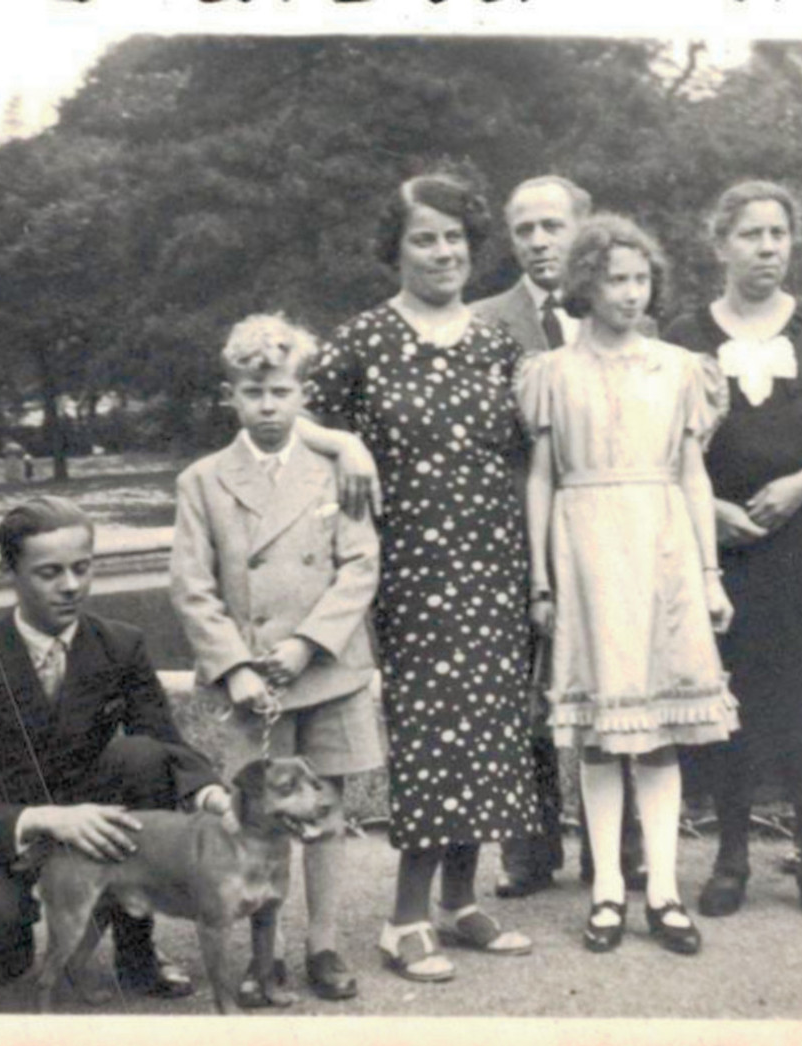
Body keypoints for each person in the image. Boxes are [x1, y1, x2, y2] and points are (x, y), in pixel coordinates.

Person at [308, 170, 538, 983]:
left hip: (493, 559)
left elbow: (526, 455)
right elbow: (291, 413)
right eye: (425, 237)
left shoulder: (496, 341)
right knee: (434, 730)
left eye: (455, 237)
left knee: (487, 725)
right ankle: (403, 918)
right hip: (410, 566)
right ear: (395, 249)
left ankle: (459, 901)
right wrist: (345, 443)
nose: (443, 252)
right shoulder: (364, 338)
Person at [663, 180, 802, 926]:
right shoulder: (683, 333)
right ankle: (731, 855)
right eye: (752, 235)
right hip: (730, 552)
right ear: (719, 244)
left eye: (779, 235)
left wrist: (799, 484)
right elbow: (662, 443)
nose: (768, 248)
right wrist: (711, 510)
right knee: (733, 694)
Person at [521, 214, 736, 956]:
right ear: (585, 282)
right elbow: (542, 479)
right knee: (602, 736)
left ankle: (665, 892)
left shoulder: (680, 368)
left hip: (661, 546)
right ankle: (608, 888)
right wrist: (540, 578)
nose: (629, 292)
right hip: (584, 546)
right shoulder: (550, 373)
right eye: (615, 278)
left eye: (640, 278)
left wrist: (709, 573)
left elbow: (693, 474)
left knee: (659, 733)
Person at [0, 497, 225, 995]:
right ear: (9, 571)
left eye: (83, 568)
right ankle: (3, 945)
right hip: (7, 829)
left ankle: (136, 952)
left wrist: (210, 792)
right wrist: (47, 819)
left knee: (142, 758)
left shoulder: (120, 645)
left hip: (94, 821)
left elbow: (165, 741)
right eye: (49, 572)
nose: (71, 586)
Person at [169, 313, 384, 1003]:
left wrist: (305, 642)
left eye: (282, 392)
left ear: (302, 393)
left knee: (324, 808)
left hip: (326, 666)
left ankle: (322, 942)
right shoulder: (203, 480)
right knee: (257, 811)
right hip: (249, 681)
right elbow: (192, 585)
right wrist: (234, 666)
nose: (268, 406)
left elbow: (361, 564)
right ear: (229, 394)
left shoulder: (333, 470)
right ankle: (268, 952)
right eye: (253, 392)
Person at [471, 174, 647, 899]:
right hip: (508, 532)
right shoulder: (483, 321)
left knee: (616, 678)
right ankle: (528, 851)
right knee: (521, 695)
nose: (540, 241)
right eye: (525, 229)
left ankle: (622, 852)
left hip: (608, 531)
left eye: (553, 225)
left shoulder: (630, 318)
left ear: (584, 228)